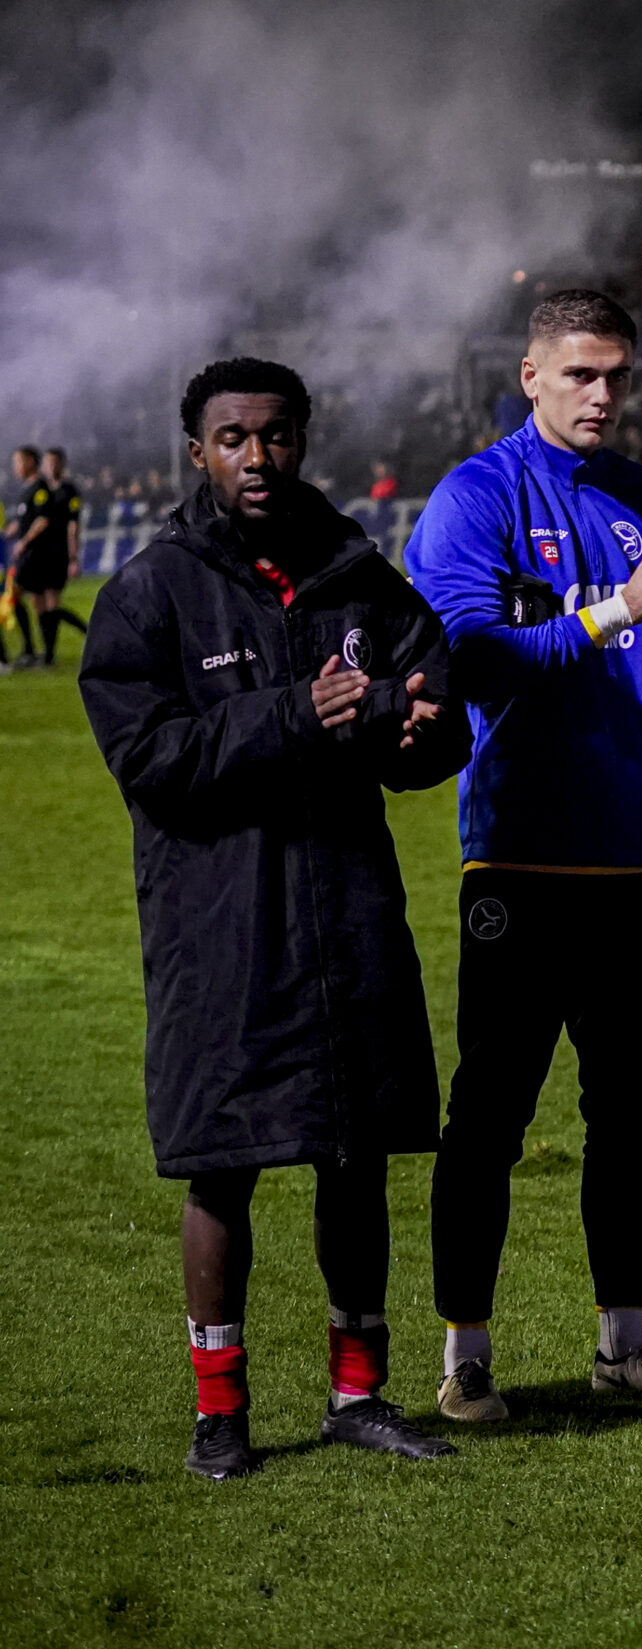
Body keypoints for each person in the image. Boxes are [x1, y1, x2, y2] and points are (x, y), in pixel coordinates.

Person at [77, 357, 472, 1477]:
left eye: (277, 435)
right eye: (234, 437)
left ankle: (359, 1393)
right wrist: (293, 714)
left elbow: (432, 697)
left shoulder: (354, 570)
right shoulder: (151, 591)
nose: (258, 456)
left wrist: (421, 728)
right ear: (197, 452)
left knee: (355, 1155)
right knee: (224, 1163)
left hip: (346, 911)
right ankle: (222, 1411)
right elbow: (153, 759)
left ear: (304, 439)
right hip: (223, 924)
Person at [408, 288, 642, 1424]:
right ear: (530, 375)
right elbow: (471, 661)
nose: (602, 394)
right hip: (518, 853)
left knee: (632, 1109)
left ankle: (625, 1343)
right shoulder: (475, 495)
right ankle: (464, 1353)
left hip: (637, 857)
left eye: (616, 374)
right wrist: (618, 610)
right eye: (580, 374)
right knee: (491, 1114)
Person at [9, 444, 85, 668]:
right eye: (48, 462)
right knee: (43, 603)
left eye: (54, 462)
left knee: (40, 600)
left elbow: (68, 524)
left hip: (50, 554)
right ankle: (46, 654)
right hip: (40, 554)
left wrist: (73, 557)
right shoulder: (41, 489)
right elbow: (28, 520)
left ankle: (37, 652)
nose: (50, 466)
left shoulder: (58, 491)